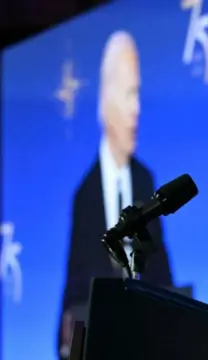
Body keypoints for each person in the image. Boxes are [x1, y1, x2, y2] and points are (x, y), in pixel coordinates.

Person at [57, 31, 173, 359]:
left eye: (139, 95)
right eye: (128, 95)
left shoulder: (145, 179)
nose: (136, 109)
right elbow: (74, 291)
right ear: (105, 99)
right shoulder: (85, 195)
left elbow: (163, 275)